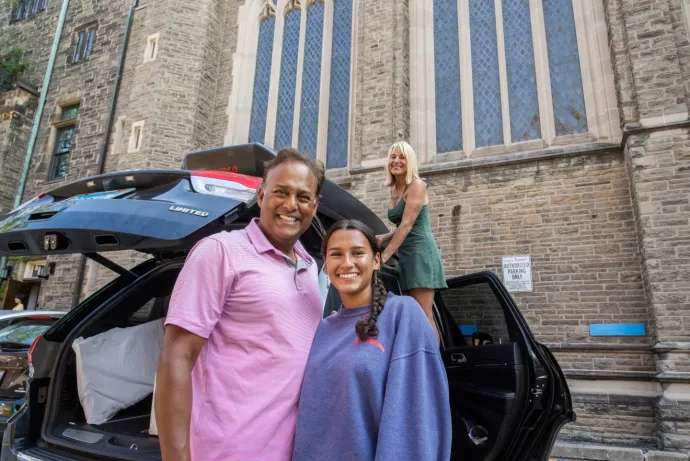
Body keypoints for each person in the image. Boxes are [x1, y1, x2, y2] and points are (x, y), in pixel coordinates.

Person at [155, 148, 326, 461]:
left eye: (303, 197)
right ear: (261, 196)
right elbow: (177, 357)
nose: (291, 205)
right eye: (281, 192)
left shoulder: (309, 266)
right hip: (226, 451)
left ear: (314, 207)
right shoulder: (219, 251)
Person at [293, 220, 452, 461]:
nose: (347, 263)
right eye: (336, 254)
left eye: (358, 253)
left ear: (376, 261)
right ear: (326, 265)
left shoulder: (402, 314)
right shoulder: (322, 329)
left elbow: (416, 420)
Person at [376, 141, 447, 341]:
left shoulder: (417, 185)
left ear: (410, 162)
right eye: (393, 156)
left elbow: (407, 225)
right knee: (410, 313)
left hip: (421, 253)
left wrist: (385, 255)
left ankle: (434, 365)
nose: (396, 161)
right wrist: (384, 236)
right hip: (406, 254)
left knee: (424, 314)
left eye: (402, 157)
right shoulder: (394, 189)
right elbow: (405, 224)